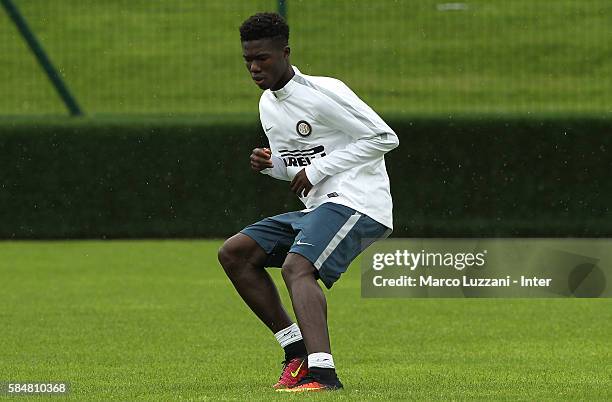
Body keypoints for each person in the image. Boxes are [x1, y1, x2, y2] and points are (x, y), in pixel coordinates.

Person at [218, 12, 399, 392]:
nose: (254, 67)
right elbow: (297, 169)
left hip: (358, 203)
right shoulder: (268, 104)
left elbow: (384, 137)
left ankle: (323, 375)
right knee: (235, 253)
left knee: (296, 267)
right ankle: (295, 351)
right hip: (317, 208)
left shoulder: (322, 92)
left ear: (285, 53)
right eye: (247, 60)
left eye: (262, 58)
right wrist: (272, 166)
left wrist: (318, 172)